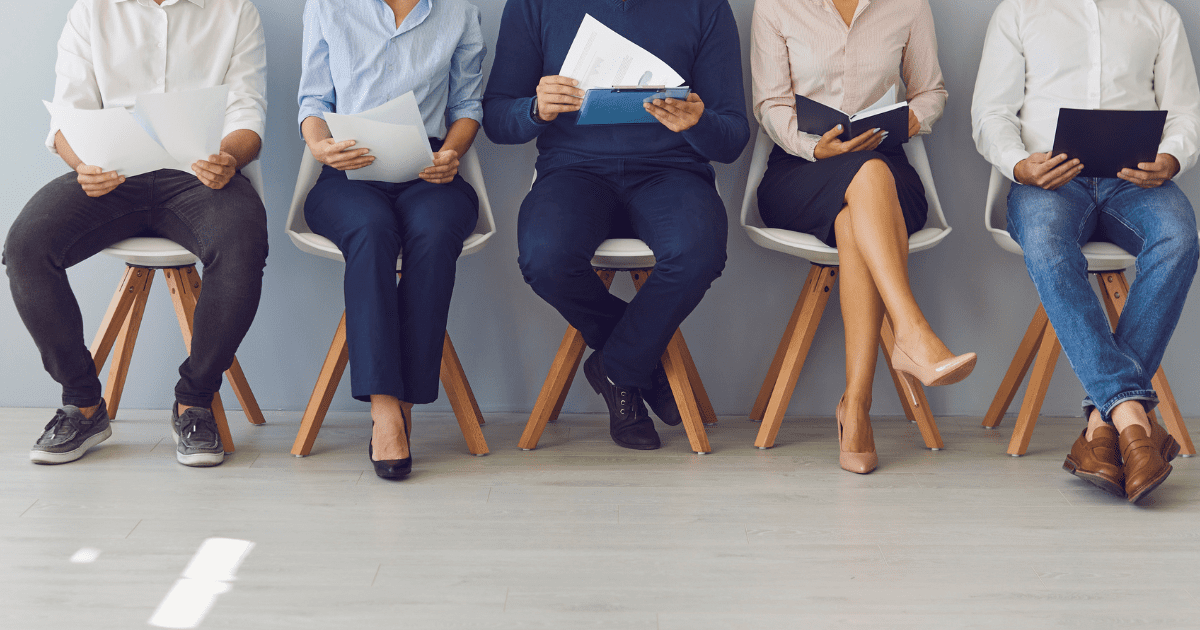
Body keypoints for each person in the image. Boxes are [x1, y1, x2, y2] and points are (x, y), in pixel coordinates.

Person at [4, 0, 268, 468]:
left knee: (244, 241)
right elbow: (66, 114)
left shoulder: (233, 9)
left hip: (200, 174)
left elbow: (248, 109)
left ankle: (195, 402)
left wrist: (228, 156)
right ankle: (83, 404)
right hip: (111, 173)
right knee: (25, 245)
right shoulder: (91, 10)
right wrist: (82, 165)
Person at [482, 0, 749, 451]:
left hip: (671, 170)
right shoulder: (535, 5)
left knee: (697, 251)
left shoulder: (705, 7)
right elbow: (496, 118)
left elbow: (733, 136)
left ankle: (617, 368)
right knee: (544, 256)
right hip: (574, 170)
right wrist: (534, 109)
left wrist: (698, 122)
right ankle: (641, 362)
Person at [972, 0, 1200, 502]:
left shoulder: (1157, 13)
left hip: (1134, 181)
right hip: (1049, 182)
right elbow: (990, 113)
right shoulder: (1019, 11)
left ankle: (1104, 423)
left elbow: (1186, 110)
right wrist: (1019, 165)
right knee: (1051, 249)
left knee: (1180, 238)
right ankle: (1133, 420)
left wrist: (1172, 156)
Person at [751, 0, 975, 474]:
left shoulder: (908, 5)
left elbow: (930, 91)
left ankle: (855, 406)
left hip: (888, 171)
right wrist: (814, 145)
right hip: (801, 168)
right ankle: (911, 332)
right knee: (861, 189)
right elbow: (770, 103)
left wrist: (914, 119)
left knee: (857, 213)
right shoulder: (775, 5)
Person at [298, 0, 485, 479]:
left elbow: (466, 106)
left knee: (436, 229)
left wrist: (452, 152)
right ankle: (385, 410)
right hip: (347, 175)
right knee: (371, 229)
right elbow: (314, 102)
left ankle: (406, 402)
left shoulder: (459, 9)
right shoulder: (327, 5)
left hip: (428, 171)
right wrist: (320, 146)